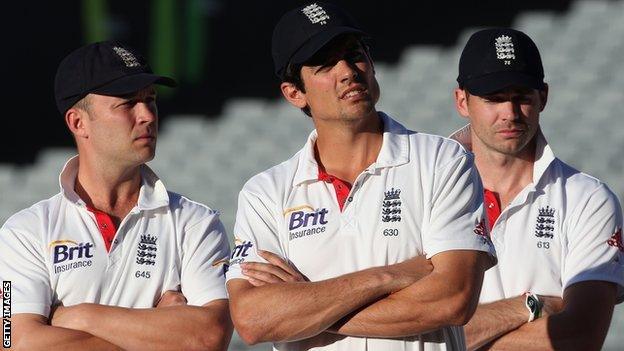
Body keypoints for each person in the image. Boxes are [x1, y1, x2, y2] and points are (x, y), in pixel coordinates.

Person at [226, 2, 495, 350]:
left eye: (354, 54)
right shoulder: (265, 193)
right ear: (294, 93)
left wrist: (305, 306)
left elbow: (452, 299)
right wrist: (389, 277)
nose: (347, 71)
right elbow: (253, 320)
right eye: (325, 64)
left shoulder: (442, 160)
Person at [0, 41, 232, 350]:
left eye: (151, 100)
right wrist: (161, 335)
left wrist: (77, 317)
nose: (147, 114)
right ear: (77, 122)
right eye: (127, 103)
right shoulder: (23, 232)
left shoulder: (195, 221)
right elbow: (12, 342)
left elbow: (209, 337)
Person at [451, 28, 624, 350]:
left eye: (522, 97)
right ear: (462, 100)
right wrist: (530, 305)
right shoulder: (423, 188)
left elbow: (579, 337)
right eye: (494, 98)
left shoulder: (587, 198)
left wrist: (447, 341)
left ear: (543, 97)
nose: (510, 113)